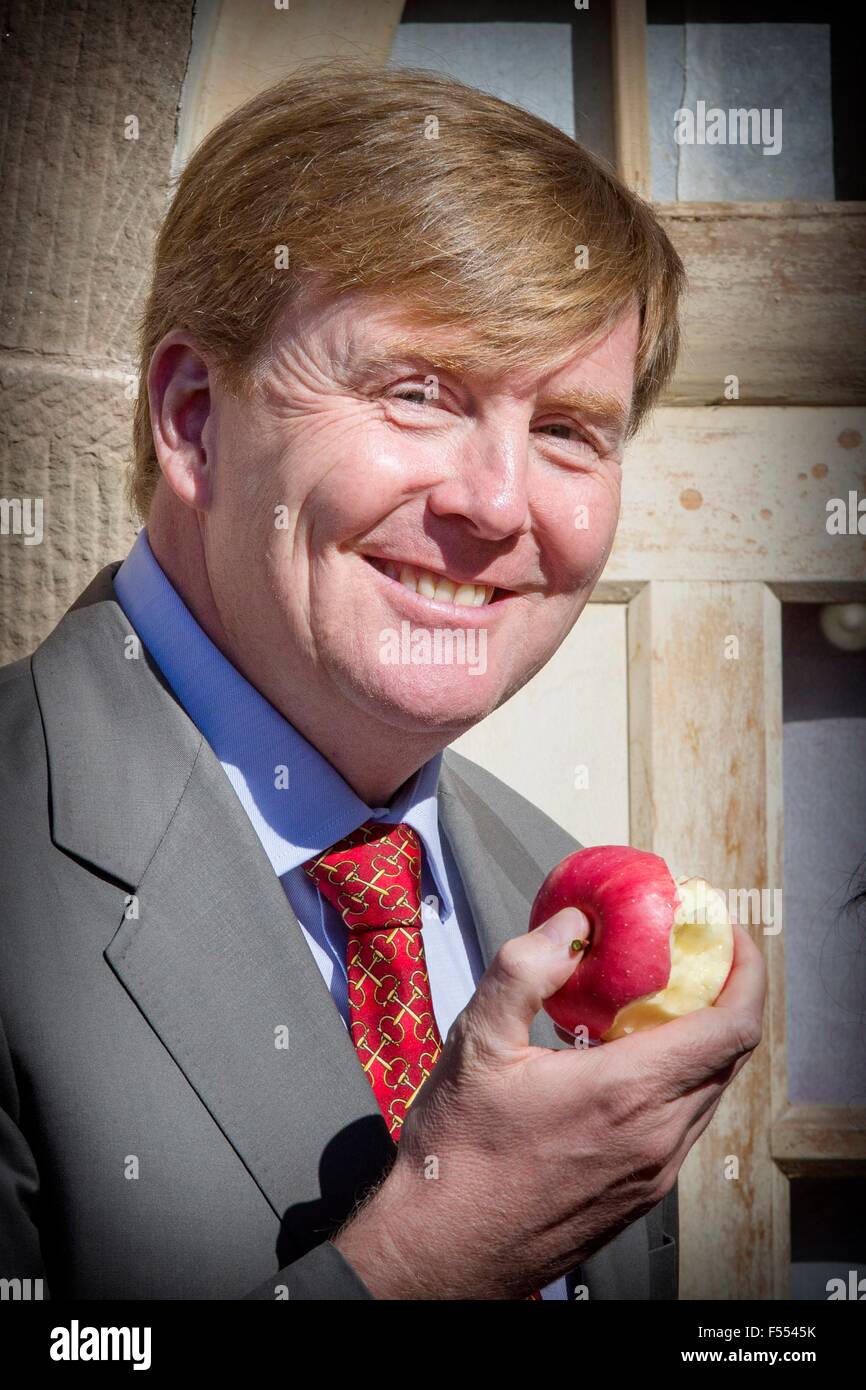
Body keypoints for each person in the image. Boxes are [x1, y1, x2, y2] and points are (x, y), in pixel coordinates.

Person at [0, 62, 765, 1301]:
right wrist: (424, 1260)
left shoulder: (546, 892)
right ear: (194, 417)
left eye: (569, 428)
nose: (501, 504)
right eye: (419, 393)